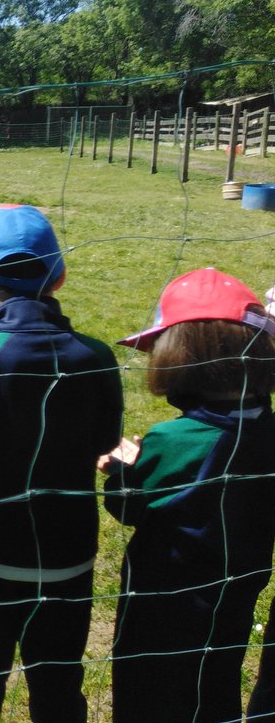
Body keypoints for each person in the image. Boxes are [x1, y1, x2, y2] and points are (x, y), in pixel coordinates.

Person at [0, 205, 122, 723]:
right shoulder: (99, 357)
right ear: (59, 277)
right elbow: (105, 439)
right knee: (60, 690)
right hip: (69, 555)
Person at [100, 267, 275, 723]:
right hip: (234, 599)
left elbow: (126, 504)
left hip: (162, 609)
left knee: (147, 698)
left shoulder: (175, 440)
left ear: (177, 359)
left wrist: (122, 467)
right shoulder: (268, 432)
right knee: (216, 689)